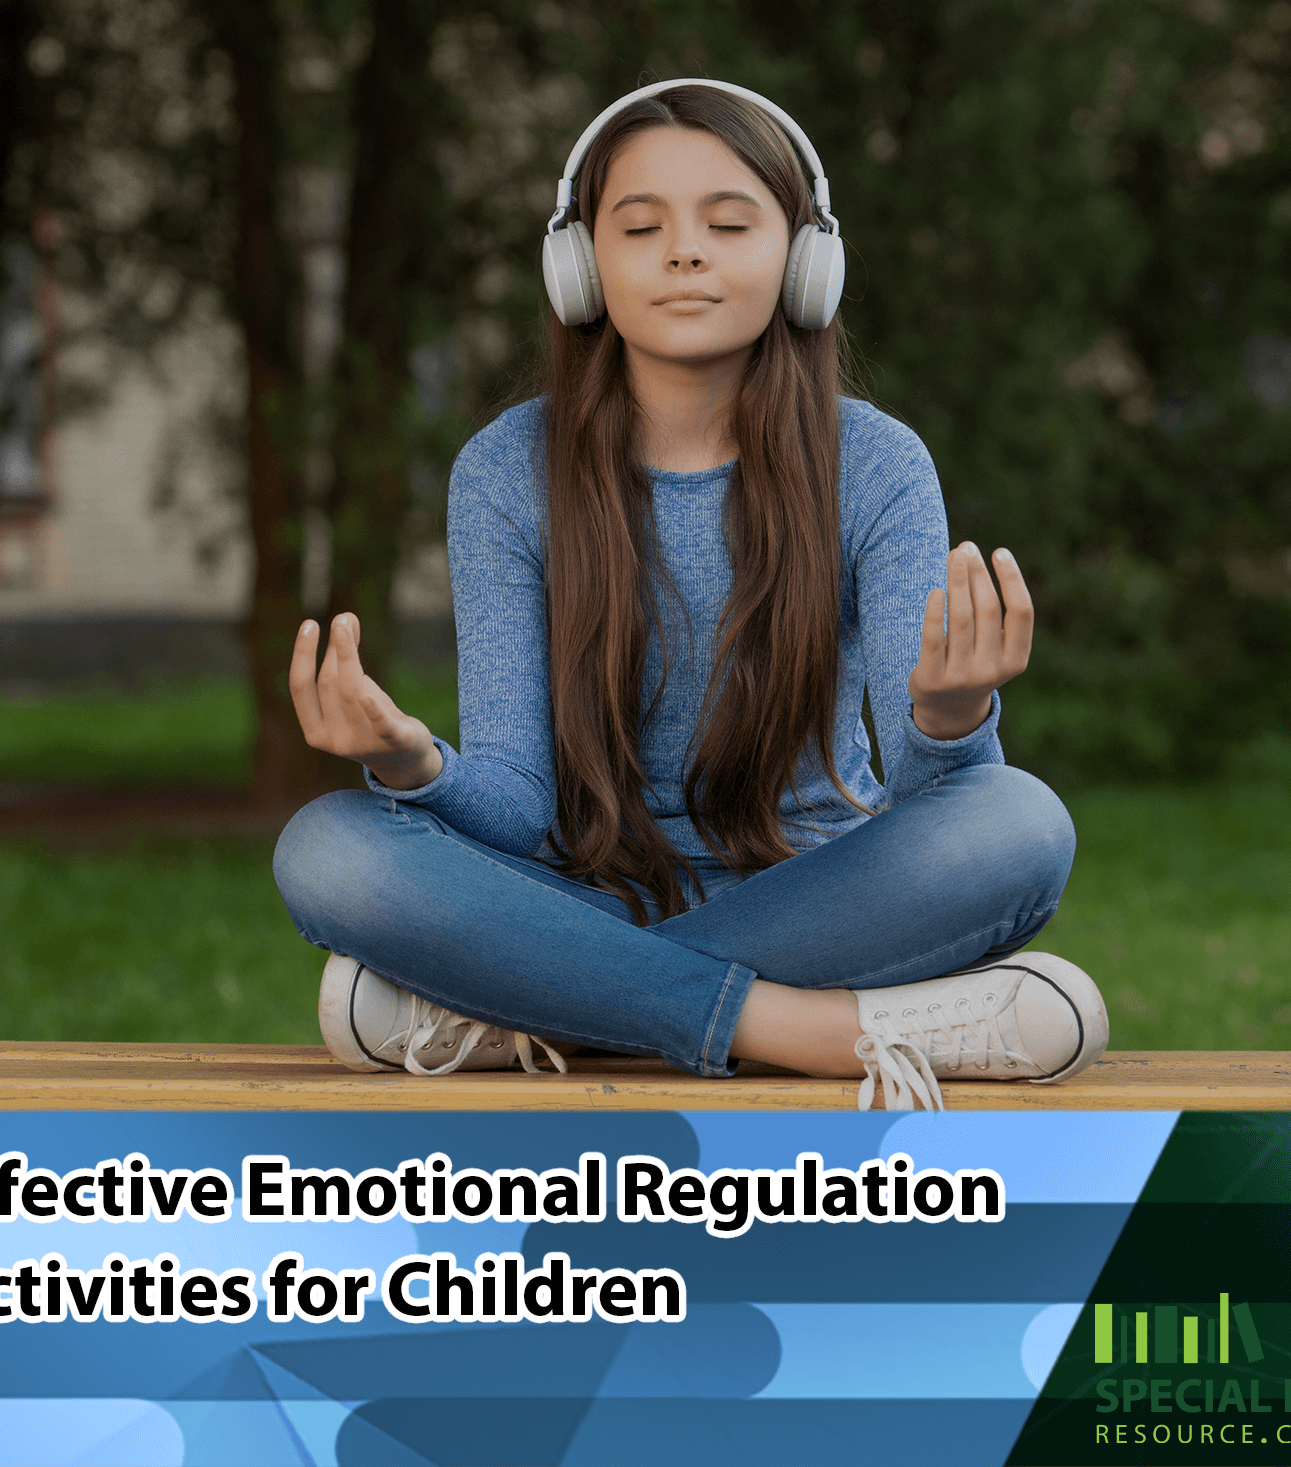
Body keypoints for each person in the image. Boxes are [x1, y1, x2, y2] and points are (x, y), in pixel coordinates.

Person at [272, 80, 1109, 1111]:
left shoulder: (879, 465)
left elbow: (940, 811)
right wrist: (410, 765)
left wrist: (950, 717)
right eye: (640, 226)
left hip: (819, 900)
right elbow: (519, 804)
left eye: (727, 221)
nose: (684, 251)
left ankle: (526, 1010)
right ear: (581, 267)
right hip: (577, 894)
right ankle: (810, 1030)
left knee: (1020, 823)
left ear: (806, 262)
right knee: (330, 847)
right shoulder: (504, 471)